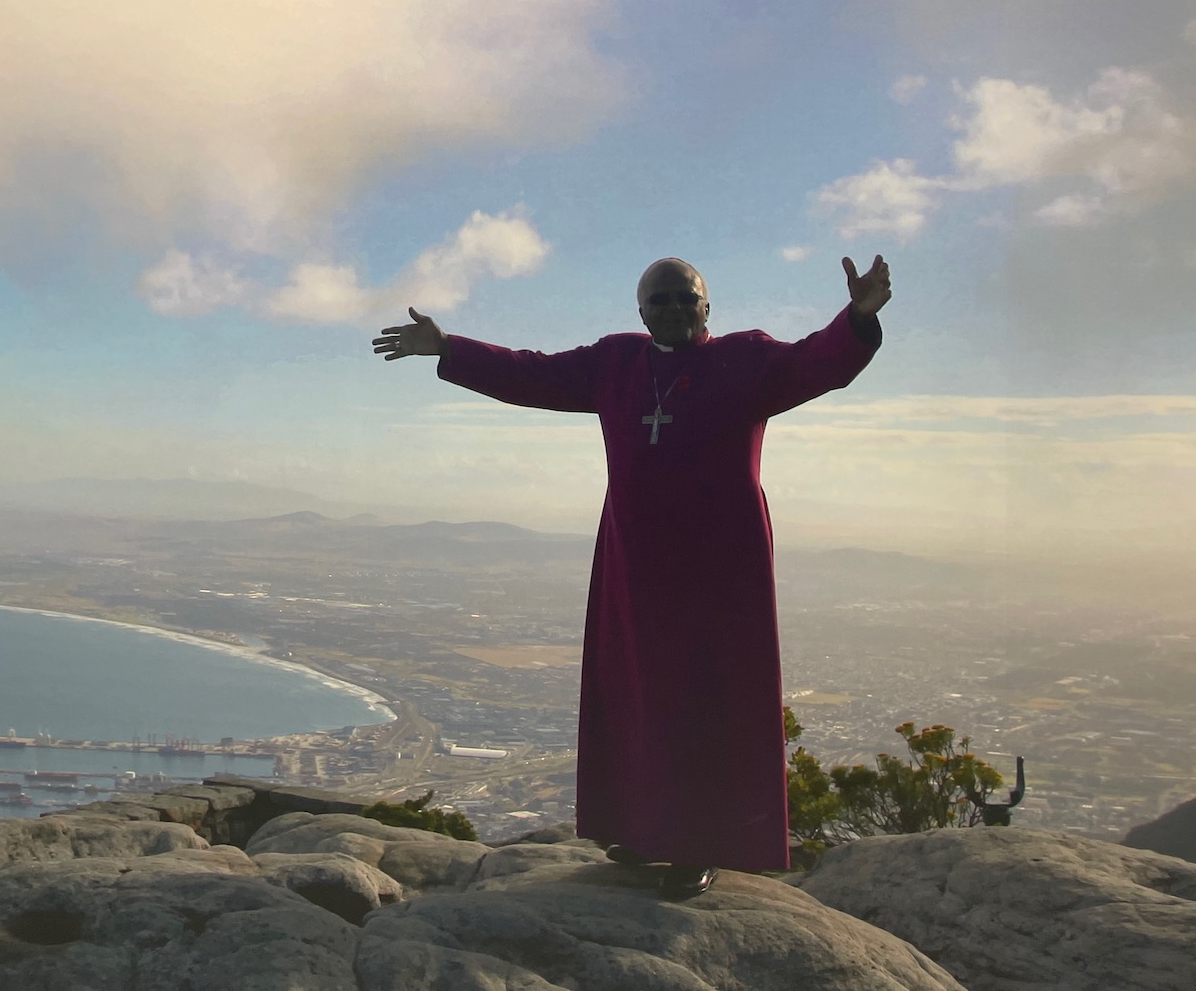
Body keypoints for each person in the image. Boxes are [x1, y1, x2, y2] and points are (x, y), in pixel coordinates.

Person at [372, 254, 891, 898]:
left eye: (685, 297)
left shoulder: (747, 360)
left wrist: (858, 319)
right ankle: (639, 831)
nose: (673, 307)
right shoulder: (615, 363)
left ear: (707, 307)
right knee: (637, 694)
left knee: (705, 698)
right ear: (640, 311)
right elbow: (531, 373)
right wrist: (449, 347)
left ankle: (699, 845)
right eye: (659, 299)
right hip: (634, 560)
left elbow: (817, 362)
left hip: (720, 566)